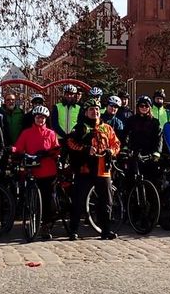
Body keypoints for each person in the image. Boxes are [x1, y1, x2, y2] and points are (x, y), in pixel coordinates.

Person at [66, 99, 121, 240]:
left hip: (103, 169)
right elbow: (70, 143)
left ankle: (106, 230)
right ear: (86, 112)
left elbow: (116, 143)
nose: (94, 112)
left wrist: (111, 151)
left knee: (106, 201)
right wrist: (84, 149)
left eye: (96, 109)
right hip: (85, 169)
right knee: (79, 200)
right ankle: (73, 230)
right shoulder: (79, 127)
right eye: (91, 109)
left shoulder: (107, 128)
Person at [11, 103, 60, 239]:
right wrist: (13, 150)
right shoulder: (27, 133)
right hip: (33, 171)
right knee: (31, 197)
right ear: (34, 118)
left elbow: (56, 149)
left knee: (48, 198)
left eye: (43, 118)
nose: (41, 120)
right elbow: (19, 147)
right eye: (38, 117)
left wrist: (52, 153)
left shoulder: (50, 133)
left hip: (48, 171)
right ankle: (33, 219)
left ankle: (46, 226)